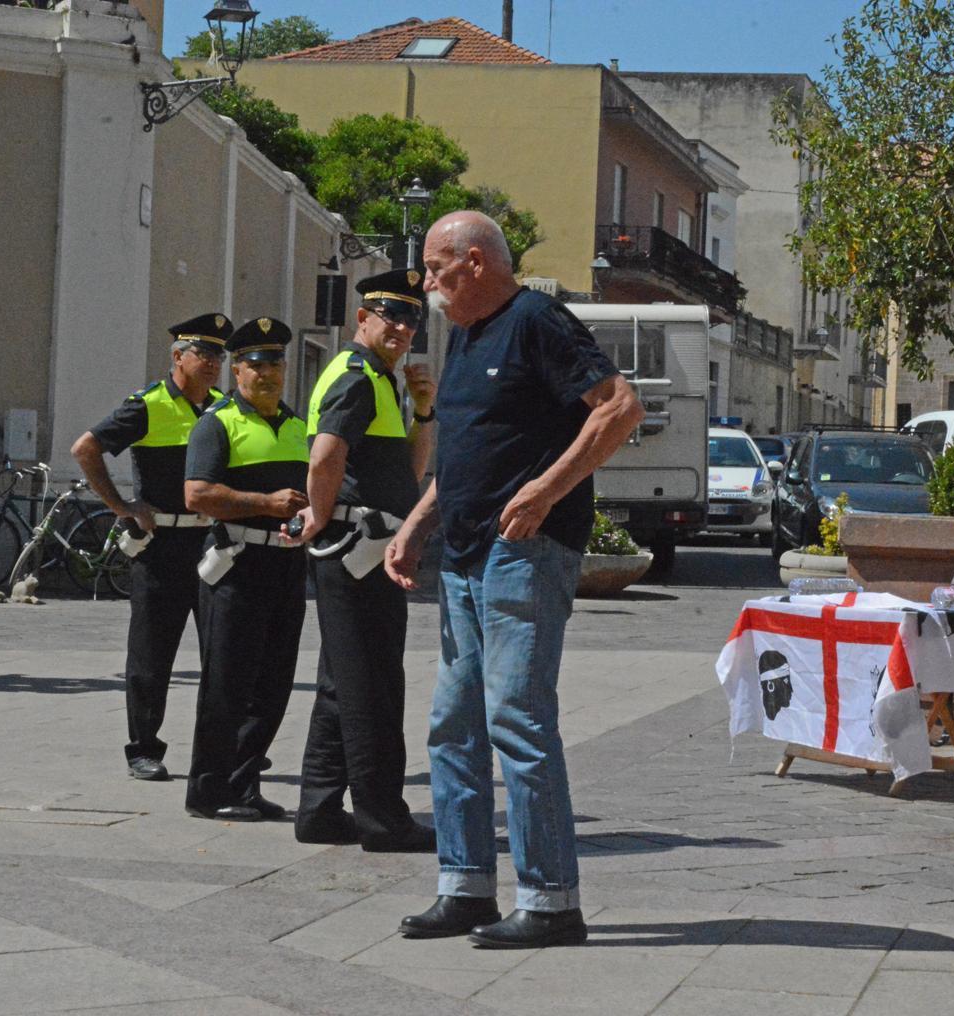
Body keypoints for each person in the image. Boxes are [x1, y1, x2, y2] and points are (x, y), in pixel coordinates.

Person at [387, 211, 643, 948]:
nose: (428, 284)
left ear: (473, 262)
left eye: (435, 269)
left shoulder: (537, 320)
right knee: (451, 726)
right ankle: (465, 886)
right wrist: (415, 526)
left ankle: (551, 900)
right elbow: (465, 457)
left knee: (517, 722)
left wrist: (546, 491)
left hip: (524, 552)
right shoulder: (463, 337)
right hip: (465, 555)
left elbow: (619, 409)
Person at [285, 269, 438, 852]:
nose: (401, 328)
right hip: (357, 549)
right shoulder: (356, 377)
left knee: (341, 682)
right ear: (362, 320)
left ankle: (320, 811)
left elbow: (411, 471)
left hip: (361, 547)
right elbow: (326, 455)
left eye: (411, 319)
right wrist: (318, 517)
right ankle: (382, 818)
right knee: (373, 684)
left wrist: (423, 410)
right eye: (390, 316)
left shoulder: (380, 380)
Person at [72, 313, 229, 781]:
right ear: (177, 356)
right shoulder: (149, 404)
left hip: (212, 544)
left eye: (219, 355)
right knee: (151, 654)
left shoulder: (223, 407)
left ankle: (221, 748)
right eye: (204, 353)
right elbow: (86, 448)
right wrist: (121, 505)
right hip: (161, 546)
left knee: (223, 652)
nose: (213, 364)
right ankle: (143, 748)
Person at [182, 317, 310, 821]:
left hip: (286, 566)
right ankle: (208, 790)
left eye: (276, 363)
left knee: (273, 684)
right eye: (257, 364)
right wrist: (266, 503)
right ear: (238, 370)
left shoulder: (299, 425)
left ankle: (245, 782)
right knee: (226, 684)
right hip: (237, 567)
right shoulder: (217, 423)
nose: (268, 373)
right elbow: (197, 495)